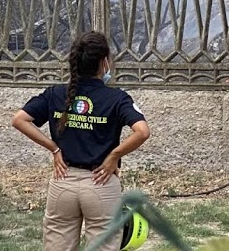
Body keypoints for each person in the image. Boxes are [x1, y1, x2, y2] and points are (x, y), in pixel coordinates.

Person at [12, 30, 150, 251]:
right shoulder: (117, 98)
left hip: (62, 180)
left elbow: (19, 120)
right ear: (104, 62)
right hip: (101, 182)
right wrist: (114, 156)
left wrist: (54, 149)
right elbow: (142, 131)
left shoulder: (55, 94)